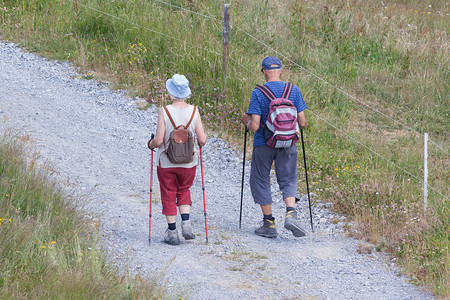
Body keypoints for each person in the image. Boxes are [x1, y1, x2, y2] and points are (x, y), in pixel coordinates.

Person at [241, 56, 307, 238]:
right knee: (289, 178)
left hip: (264, 143)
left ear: (263, 72)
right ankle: (291, 213)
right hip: (288, 143)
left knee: (261, 178)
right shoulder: (293, 90)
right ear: (281, 71)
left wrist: (246, 120)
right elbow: (302, 122)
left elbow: (254, 126)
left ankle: (269, 223)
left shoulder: (258, 93)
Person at [148, 74, 207, 245]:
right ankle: (186, 223)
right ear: (186, 92)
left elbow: (159, 140)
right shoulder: (194, 111)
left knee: (168, 192)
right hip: (189, 162)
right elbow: (202, 140)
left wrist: (151, 144)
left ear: (171, 92)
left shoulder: (164, 111)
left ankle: (172, 232)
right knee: (184, 189)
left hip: (167, 162)